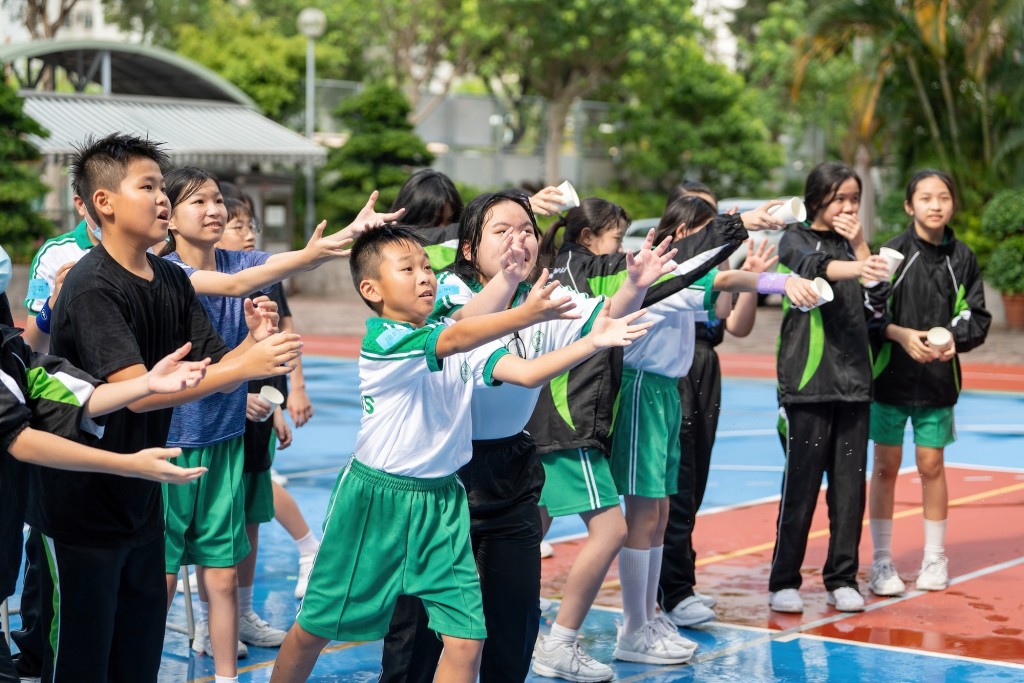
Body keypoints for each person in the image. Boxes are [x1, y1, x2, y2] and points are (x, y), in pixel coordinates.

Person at [269, 224, 652, 683]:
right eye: (407, 269)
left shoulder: (450, 335)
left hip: (444, 503)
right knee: (316, 627)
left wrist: (591, 341)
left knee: (467, 640)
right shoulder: (385, 342)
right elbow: (455, 338)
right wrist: (524, 313)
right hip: (377, 501)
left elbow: (527, 373)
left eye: (427, 266)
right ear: (371, 289)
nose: (424, 276)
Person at [37, 133, 305, 683]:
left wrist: (254, 344)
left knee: (137, 651)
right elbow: (142, 386)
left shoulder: (167, 278)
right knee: (85, 654)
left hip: (143, 493)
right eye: (149, 186)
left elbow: (207, 367)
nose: (163, 198)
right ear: (104, 203)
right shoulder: (91, 287)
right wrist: (243, 367)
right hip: (82, 504)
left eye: (163, 186)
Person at [380, 192, 675, 683]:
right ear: (470, 248)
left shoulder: (541, 293)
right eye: (502, 230)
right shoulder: (446, 289)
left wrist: (637, 284)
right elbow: (462, 330)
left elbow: (601, 319)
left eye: (526, 230)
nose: (519, 238)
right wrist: (511, 282)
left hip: (514, 463)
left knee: (513, 615)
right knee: (424, 621)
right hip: (444, 471)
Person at [607, 196, 817, 665]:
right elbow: (724, 278)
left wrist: (766, 272)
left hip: (665, 392)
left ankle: (648, 614)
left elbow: (725, 302)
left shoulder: (686, 274)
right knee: (644, 515)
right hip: (644, 390)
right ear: (682, 235)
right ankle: (634, 626)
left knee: (659, 512)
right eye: (708, 232)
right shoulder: (664, 272)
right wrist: (782, 281)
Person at [0, 297, 211, 683]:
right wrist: (128, 464)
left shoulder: (9, 349)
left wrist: (146, 383)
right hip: (72, 519)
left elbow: (65, 390)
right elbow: (17, 437)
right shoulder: (91, 286)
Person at [768, 161, 891, 615]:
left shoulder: (858, 248)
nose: (848, 206)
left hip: (855, 384)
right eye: (840, 197)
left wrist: (861, 247)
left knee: (848, 488)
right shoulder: (794, 239)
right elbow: (815, 268)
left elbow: (878, 303)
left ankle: (842, 577)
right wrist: (859, 262)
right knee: (799, 485)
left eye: (855, 199)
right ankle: (784, 579)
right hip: (807, 383)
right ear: (818, 197)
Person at [866, 170, 990, 596]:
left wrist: (954, 338)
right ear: (908, 205)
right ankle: (881, 560)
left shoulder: (964, 257)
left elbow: (977, 314)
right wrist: (900, 335)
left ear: (953, 204)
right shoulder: (892, 254)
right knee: (884, 468)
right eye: (925, 197)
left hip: (938, 383)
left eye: (943, 197)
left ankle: (935, 557)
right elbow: (870, 314)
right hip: (889, 380)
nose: (935, 205)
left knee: (931, 466)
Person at [658, 181, 772, 627]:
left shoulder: (713, 264)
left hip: (704, 367)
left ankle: (678, 583)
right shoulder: (670, 270)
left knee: (694, 481)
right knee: (676, 487)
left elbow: (730, 319)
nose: (714, 228)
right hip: (675, 372)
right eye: (705, 221)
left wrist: (745, 272)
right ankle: (675, 589)